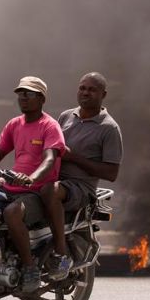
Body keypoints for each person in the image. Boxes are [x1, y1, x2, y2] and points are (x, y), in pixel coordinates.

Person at [0, 76, 66, 293]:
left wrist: (32, 178)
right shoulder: (14, 124)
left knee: (12, 212)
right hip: (13, 186)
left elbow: (49, 160)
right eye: (20, 93)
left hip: (37, 191)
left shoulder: (50, 126)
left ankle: (30, 267)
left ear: (41, 98)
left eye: (29, 93)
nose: (23, 97)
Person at [40, 72, 124, 281]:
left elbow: (111, 173)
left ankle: (61, 253)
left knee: (51, 190)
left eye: (91, 89)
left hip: (80, 188)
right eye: (82, 88)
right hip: (54, 180)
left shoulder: (109, 128)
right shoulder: (66, 116)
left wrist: (73, 158)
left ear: (103, 95)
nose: (85, 92)